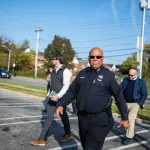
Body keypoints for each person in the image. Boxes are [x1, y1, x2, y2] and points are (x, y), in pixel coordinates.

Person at [56, 47, 129, 150]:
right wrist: (61, 104)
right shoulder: (82, 73)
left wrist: (125, 117)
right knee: (86, 146)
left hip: (99, 120)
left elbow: (119, 96)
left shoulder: (109, 75)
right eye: (92, 56)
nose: (95, 59)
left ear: (102, 59)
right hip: (82, 119)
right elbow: (72, 91)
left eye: (98, 57)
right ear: (89, 58)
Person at [30, 54, 72, 146]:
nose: (52, 60)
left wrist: (58, 96)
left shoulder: (66, 71)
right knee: (50, 117)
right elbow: (51, 85)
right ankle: (42, 139)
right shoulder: (53, 71)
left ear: (58, 59)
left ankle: (67, 133)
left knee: (63, 115)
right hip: (52, 97)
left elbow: (66, 86)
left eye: (53, 59)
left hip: (61, 98)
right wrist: (48, 96)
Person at [121, 68, 148, 145]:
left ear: (136, 74)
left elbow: (144, 94)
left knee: (130, 119)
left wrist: (140, 103)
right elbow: (120, 90)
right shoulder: (125, 80)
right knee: (125, 119)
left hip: (135, 103)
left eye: (132, 75)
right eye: (129, 75)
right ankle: (131, 134)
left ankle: (128, 137)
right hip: (125, 103)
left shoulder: (141, 82)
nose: (130, 76)